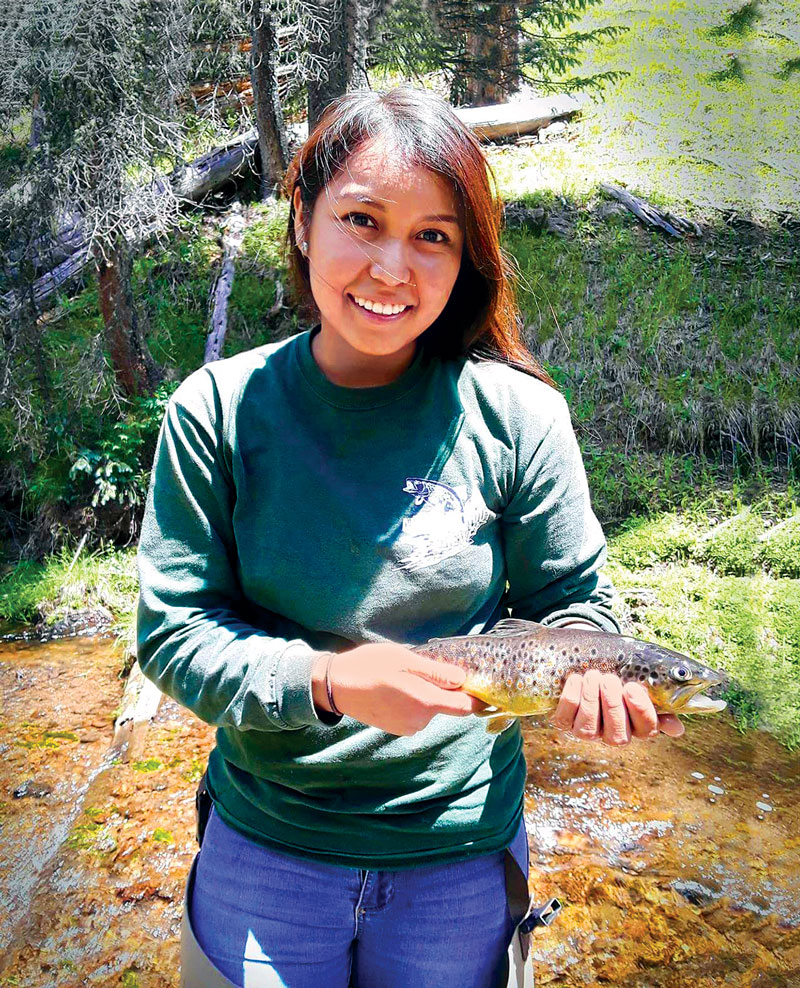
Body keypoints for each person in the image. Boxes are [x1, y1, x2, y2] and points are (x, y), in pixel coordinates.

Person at [136, 85, 684, 988]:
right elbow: (174, 632)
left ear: (465, 257)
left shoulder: (520, 416)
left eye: (433, 235)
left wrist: (594, 675)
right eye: (363, 219)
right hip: (268, 846)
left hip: (459, 859)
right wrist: (326, 681)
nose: (394, 266)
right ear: (304, 218)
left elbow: (575, 606)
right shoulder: (219, 412)